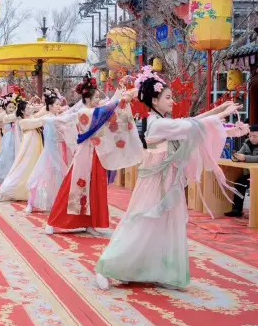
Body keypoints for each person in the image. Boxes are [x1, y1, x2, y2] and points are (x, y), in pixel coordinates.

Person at [96, 67, 246, 290]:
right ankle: (105, 267)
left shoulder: (162, 122)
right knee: (139, 224)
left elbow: (190, 121)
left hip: (168, 182)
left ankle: (161, 271)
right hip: (154, 183)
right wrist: (221, 114)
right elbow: (190, 125)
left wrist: (219, 109)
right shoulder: (158, 124)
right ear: (154, 100)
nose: (172, 101)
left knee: (165, 225)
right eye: (168, 97)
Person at [46, 74, 142, 237]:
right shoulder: (84, 112)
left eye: (99, 97)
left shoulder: (94, 110)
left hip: (97, 153)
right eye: (96, 97)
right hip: (85, 154)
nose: (99, 99)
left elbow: (109, 107)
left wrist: (121, 91)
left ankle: (90, 223)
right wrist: (123, 99)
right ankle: (53, 222)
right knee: (74, 187)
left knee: (96, 187)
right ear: (88, 99)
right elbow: (107, 109)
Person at [26, 91, 79, 214]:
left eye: (60, 104)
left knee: (60, 177)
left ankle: (59, 202)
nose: (59, 107)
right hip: (50, 152)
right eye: (57, 105)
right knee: (42, 176)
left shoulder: (58, 117)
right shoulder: (47, 118)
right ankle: (31, 202)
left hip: (62, 150)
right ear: (49, 106)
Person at [0, 99, 50, 202]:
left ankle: (30, 192)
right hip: (28, 150)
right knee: (22, 168)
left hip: (35, 148)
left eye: (30, 107)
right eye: (28, 108)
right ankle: (5, 190)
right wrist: (48, 116)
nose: (30, 108)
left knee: (32, 169)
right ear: (22, 111)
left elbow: (41, 114)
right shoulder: (23, 122)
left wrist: (47, 106)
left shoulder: (31, 118)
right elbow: (39, 121)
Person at [0, 97, 24, 191]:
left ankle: (8, 185)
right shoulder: (5, 117)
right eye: (9, 107)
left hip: (15, 144)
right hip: (6, 144)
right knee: (1, 162)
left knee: (12, 163)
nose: (11, 109)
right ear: (5, 107)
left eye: (13, 107)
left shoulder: (16, 118)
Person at [225, 123, 258, 217]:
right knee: (240, 182)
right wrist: (236, 156)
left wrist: (245, 158)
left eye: (254, 136)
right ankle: (237, 209)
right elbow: (240, 154)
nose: (251, 138)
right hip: (252, 175)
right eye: (250, 136)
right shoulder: (247, 143)